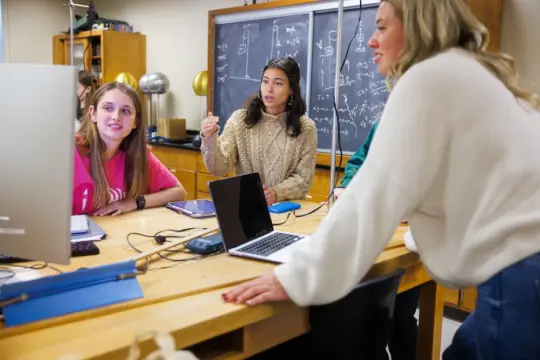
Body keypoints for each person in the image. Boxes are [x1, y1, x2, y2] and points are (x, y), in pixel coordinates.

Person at [222, 0, 540, 359]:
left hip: (522, 278)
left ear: (418, 27)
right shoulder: (474, 74)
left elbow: (369, 202)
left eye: (383, 27)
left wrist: (294, 278)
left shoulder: (427, 78)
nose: (371, 40)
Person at [336, 119, 421, 360]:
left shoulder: (436, 128)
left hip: (408, 234)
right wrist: (347, 187)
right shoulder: (387, 120)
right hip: (378, 226)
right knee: (375, 318)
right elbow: (360, 161)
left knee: (401, 315)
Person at [200, 57, 318, 205]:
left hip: (287, 209)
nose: (269, 89)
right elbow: (219, 167)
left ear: (291, 90)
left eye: (278, 83)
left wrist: (276, 193)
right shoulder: (240, 120)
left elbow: (303, 178)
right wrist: (209, 138)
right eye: (265, 81)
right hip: (248, 207)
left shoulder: (306, 127)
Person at [73, 81, 186, 216]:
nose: (116, 117)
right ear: (93, 113)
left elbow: (179, 192)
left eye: (125, 111)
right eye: (108, 108)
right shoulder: (70, 150)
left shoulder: (137, 154)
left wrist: (134, 203)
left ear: (135, 122)